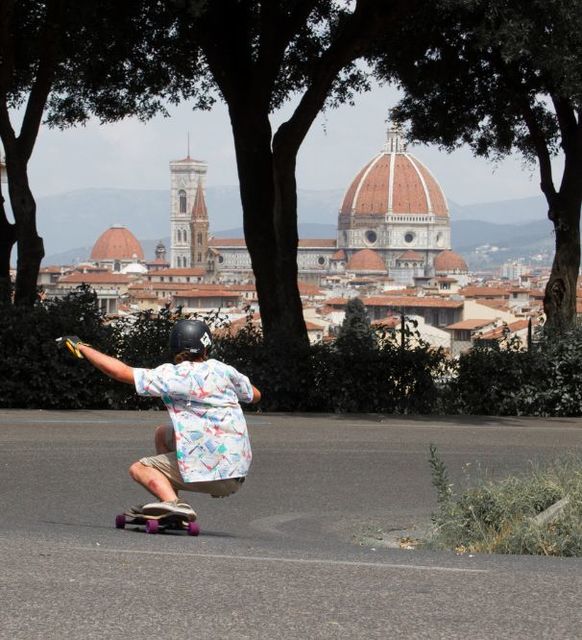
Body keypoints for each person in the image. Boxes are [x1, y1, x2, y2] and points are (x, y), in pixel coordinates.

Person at [58, 319, 261, 521]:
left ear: (175, 348)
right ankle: (172, 502)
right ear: (206, 348)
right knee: (163, 433)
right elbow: (255, 395)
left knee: (139, 469)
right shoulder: (224, 370)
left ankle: (174, 504)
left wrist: (82, 347)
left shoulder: (173, 375)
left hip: (211, 474)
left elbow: (119, 371)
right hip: (237, 472)